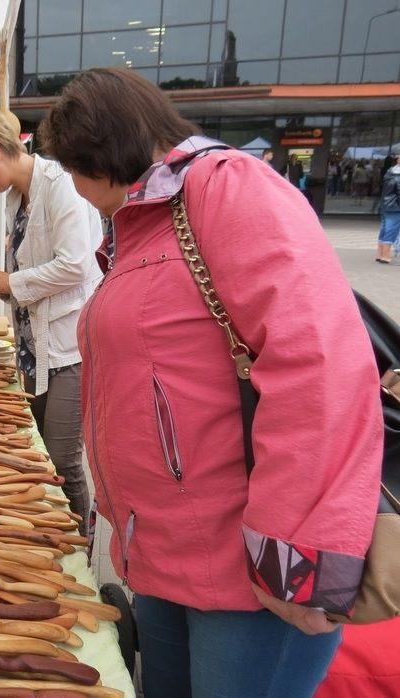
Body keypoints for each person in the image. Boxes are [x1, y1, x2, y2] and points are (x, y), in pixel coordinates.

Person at [39, 68, 381, 698]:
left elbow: (319, 367)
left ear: (102, 151)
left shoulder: (228, 189)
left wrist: (293, 561)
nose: (76, 189)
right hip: (168, 551)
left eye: (72, 169)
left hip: (250, 574)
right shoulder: (144, 221)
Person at [0, 112, 103, 532]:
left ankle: (79, 544)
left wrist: (11, 280)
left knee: (64, 459)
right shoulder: (19, 194)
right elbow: (30, 265)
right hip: (36, 346)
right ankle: (55, 533)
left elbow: (74, 265)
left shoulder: (60, 186)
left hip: (69, 347)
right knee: (44, 454)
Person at [375, 155, 400, 263]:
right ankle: (385, 255)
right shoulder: (398, 177)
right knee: (391, 230)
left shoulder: (389, 173)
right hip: (395, 206)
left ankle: (380, 254)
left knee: (384, 228)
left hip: (386, 204)